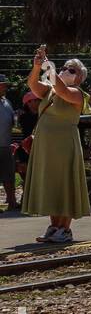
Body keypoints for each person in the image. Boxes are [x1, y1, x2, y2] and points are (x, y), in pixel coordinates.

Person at [22, 48, 91, 243]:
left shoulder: (78, 94)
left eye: (72, 70)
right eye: (65, 67)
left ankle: (64, 229)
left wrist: (49, 66)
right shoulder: (49, 91)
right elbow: (33, 84)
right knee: (52, 184)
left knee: (65, 184)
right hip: (46, 146)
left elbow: (62, 90)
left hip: (65, 145)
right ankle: (54, 226)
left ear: (79, 78)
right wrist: (37, 67)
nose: (66, 70)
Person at [14, 91, 39, 187]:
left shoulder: (44, 115)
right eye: (36, 100)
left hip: (40, 147)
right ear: (28, 102)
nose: (39, 101)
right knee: (25, 172)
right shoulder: (22, 117)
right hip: (25, 148)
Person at [0, 74, 17, 211]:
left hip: (6, 145)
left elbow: (13, 122)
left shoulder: (7, 102)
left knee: (9, 175)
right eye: (2, 84)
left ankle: (12, 203)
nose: (4, 87)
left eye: (5, 84)